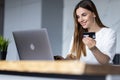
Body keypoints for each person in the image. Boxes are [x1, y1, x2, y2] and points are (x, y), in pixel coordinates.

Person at [65, 0, 116, 64]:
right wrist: (63, 60)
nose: (80, 20)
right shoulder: (77, 35)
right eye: (78, 17)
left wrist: (93, 48)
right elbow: (72, 56)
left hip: (102, 73)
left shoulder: (108, 33)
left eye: (84, 15)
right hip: (82, 73)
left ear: (94, 14)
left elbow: (105, 62)